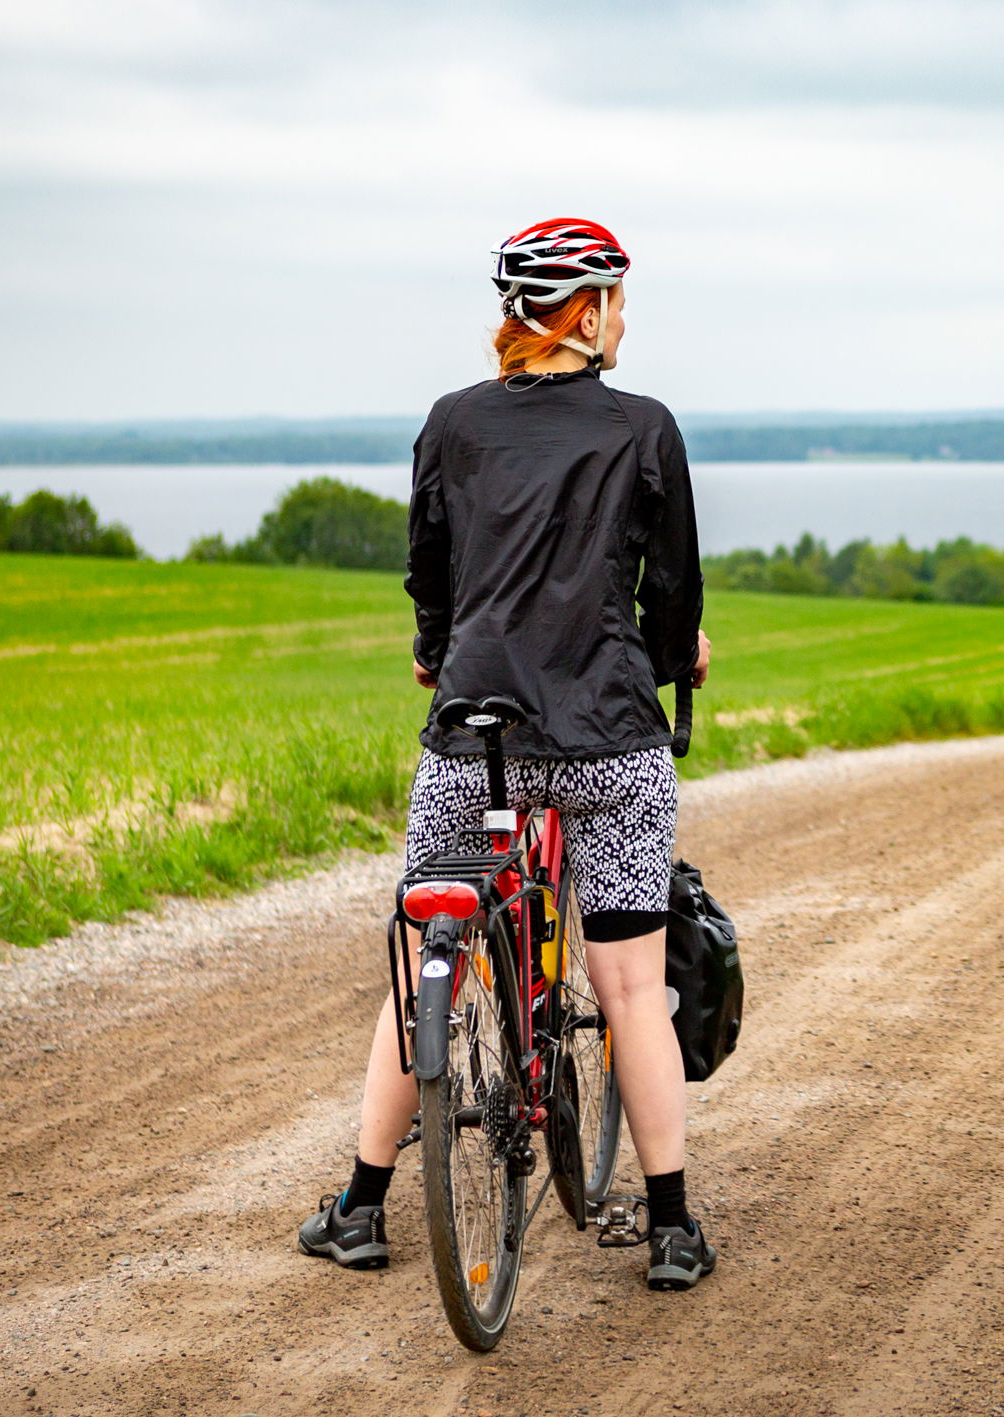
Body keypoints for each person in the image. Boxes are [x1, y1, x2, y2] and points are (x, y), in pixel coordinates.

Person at [298, 217, 715, 1290]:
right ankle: (669, 1227)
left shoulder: (450, 424)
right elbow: (671, 598)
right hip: (610, 742)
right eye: (617, 299)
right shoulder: (645, 427)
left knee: (420, 961)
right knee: (628, 983)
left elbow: (428, 575)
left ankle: (359, 1204)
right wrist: (682, 659)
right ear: (587, 312)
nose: (625, 318)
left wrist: (440, 657)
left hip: (475, 737)